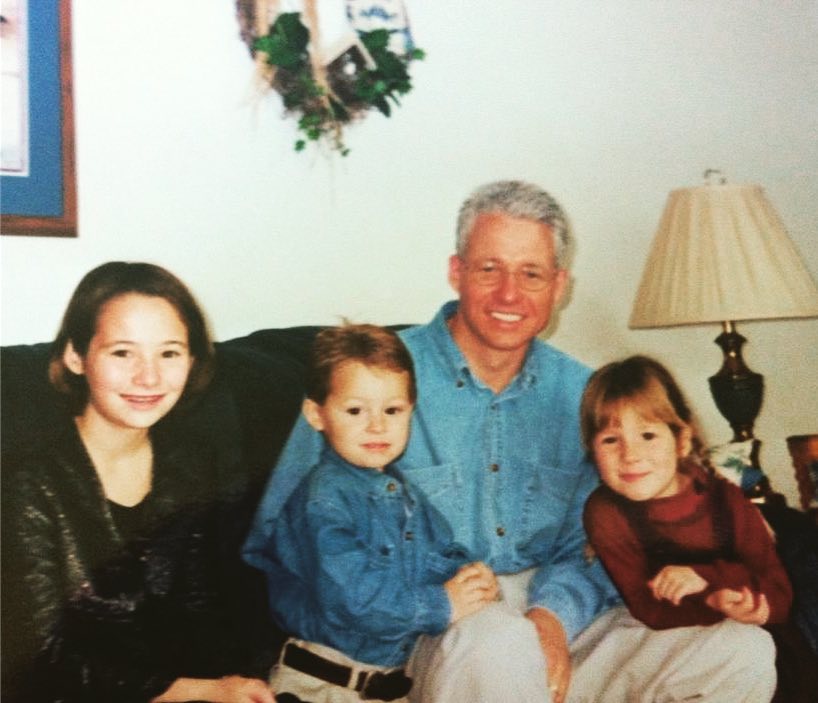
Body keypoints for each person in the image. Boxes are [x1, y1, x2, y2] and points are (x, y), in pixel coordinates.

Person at [244, 180, 776, 702]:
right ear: (457, 272)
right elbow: (284, 549)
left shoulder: (587, 398)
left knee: (739, 650)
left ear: (560, 285)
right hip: (435, 628)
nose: (509, 294)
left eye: (531, 274)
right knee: (498, 643)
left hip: (558, 615)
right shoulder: (370, 386)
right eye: (489, 269)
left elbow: (596, 546)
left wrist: (552, 617)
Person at [1, 262, 276, 703]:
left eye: (169, 353)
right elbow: (40, 658)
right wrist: (191, 690)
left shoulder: (194, 465)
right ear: (76, 356)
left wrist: (235, 683)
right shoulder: (24, 482)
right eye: (122, 353)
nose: (148, 377)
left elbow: (210, 612)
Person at [256, 323, 498, 702]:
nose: (377, 425)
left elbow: (436, 553)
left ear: (410, 412)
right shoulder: (323, 499)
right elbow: (353, 600)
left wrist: (468, 575)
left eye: (393, 409)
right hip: (321, 684)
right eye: (355, 410)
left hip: (383, 686)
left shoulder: (402, 492)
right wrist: (442, 603)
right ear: (316, 414)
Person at [580, 355, 792, 630]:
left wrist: (707, 579)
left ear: (682, 441)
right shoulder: (605, 513)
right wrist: (713, 605)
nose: (630, 455)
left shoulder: (726, 501)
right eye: (610, 440)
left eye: (648, 436)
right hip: (681, 633)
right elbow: (648, 609)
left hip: (761, 635)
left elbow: (779, 594)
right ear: (592, 452)